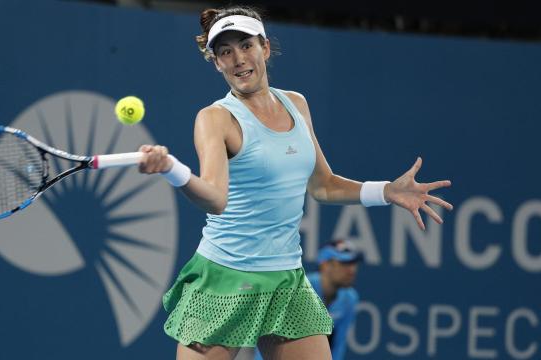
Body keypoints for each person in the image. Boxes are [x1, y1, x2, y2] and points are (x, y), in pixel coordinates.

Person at [136, 5, 453, 360]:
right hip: (225, 278)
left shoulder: (296, 104)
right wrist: (172, 169)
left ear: (265, 48)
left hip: (285, 278)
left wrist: (387, 191)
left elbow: (324, 186)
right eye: (225, 52)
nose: (238, 59)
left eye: (246, 46)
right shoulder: (215, 119)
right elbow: (215, 198)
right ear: (216, 63)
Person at [309, 240, 363, 360]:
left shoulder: (350, 299)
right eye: (344, 263)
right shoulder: (300, 290)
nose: (352, 270)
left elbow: (338, 345)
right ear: (325, 265)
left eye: (354, 263)